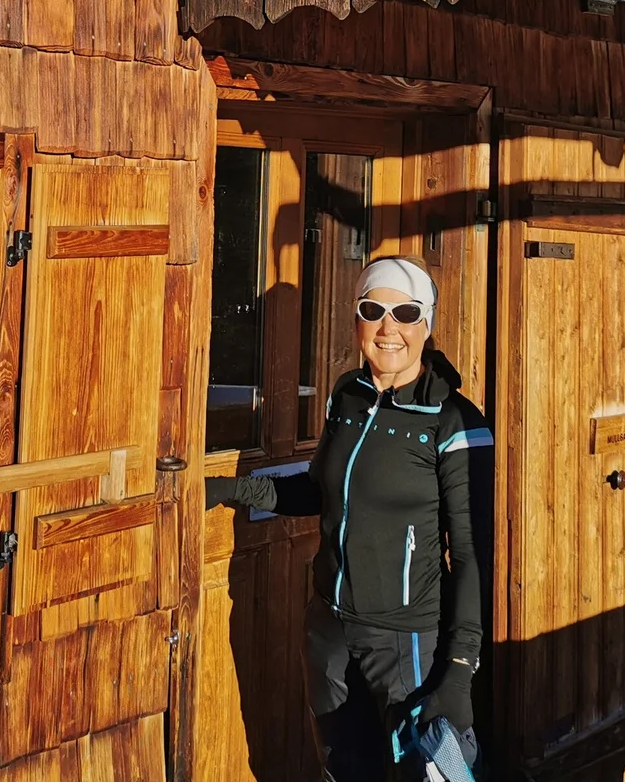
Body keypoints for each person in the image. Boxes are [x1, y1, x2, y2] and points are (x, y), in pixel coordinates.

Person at [205, 256, 494, 781]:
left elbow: (472, 553)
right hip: (329, 631)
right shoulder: (347, 396)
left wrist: (458, 671)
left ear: (426, 324)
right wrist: (231, 488)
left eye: (405, 312)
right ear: (356, 319)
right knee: (341, 771)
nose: (389, 328)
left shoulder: (454, 422)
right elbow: (321, 490)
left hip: (407, 647)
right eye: (373, 309)